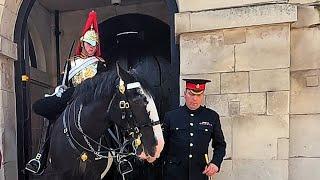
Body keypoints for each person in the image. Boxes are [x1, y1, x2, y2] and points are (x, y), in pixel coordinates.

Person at [25, 10, 108, 174]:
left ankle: (120, 157)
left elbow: (102, 85)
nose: (92, 48)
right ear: (82, 43)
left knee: (111, 113)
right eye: (89, 44)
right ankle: (41, 155)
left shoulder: (100, 64)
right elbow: (64, 81)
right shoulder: (71, 63)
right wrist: (59, 89)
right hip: (71, 98)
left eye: (94, 45)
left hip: (91, 100)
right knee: (50, 115)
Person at [162, 79, 226, 180]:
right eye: (191, 94)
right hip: (174, 174)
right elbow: (161, 146)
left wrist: (215, 163)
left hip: (200, 173)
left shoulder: (211, 117)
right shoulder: (171, 116)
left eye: (199, 95)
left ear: (203, 96)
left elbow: (220, 145)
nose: (195, 99)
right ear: (184, 94)